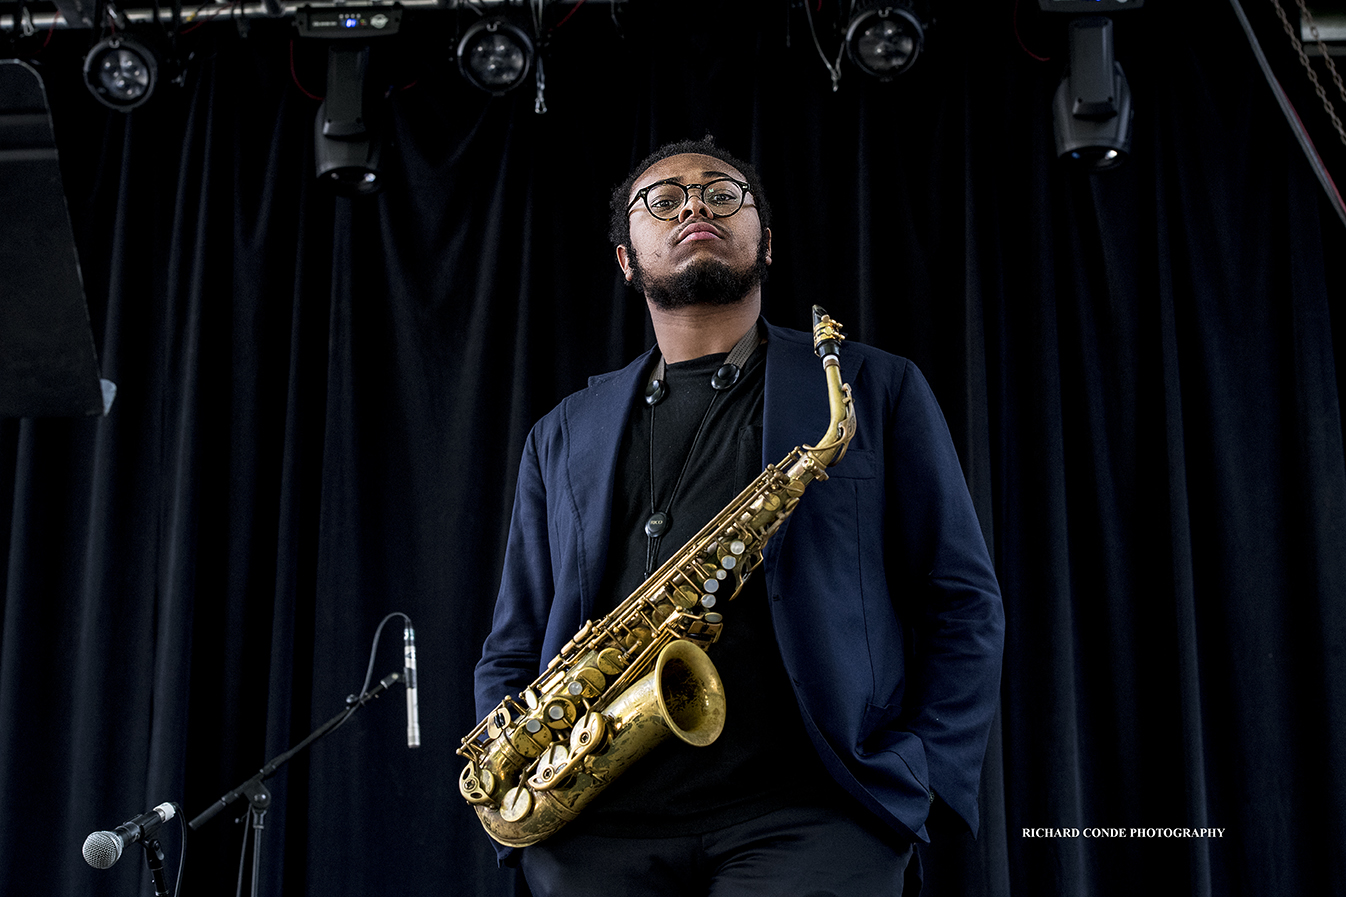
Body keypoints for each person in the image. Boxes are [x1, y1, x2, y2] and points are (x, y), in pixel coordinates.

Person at [472, 137, 1004, 897]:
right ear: (627, 259)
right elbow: (515, 638)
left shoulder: (867, 389)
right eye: (663, 199)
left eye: (723, 193)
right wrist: (517, 782)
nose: (695, 203)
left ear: (768, 243)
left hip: (813, 817)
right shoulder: (560, 431)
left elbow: (964, 601)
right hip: (592, 830)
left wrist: (922, 772)